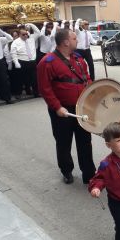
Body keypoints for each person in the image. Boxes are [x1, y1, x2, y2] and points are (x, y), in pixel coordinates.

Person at [37, 28, 96, 185]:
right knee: (63, 143)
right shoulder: (47, 62)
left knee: (85, 141)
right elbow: (45, 89)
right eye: (75, 38)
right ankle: (66, 170)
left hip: (81, 108)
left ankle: (89, 174)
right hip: (62, 111)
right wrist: (57, 107)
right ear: (66, 42)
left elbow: (86, 78)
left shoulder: (78, 59)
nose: (77, 40)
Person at [10, 23, 40, 98]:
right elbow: (13, 53)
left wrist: (31, 24)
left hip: (32, 61)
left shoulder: (31, 39)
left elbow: (38, 32)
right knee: (20, 79)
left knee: (34, 78)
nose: (26, 36)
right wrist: (16, 62)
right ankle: (18, 93)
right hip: (22, 62)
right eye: (23, 34)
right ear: (19, 35)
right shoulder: (16, 42)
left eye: (26, 34)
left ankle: (36, 93)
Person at [0, 27, 13, 103]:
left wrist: (1, 31)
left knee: (4, 80)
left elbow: (10, 39)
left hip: (0, 62)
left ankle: (7, 98)